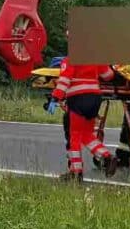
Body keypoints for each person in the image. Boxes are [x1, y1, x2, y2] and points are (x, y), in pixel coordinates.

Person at [48, 53, 118, 181]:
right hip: (95, 99)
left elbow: (64, 80)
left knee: (74, 136)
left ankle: (76, 172)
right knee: (86, 134)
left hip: (78, 100)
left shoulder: (70, 59)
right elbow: (108, 75)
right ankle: (106, 157)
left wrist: (55, 97)